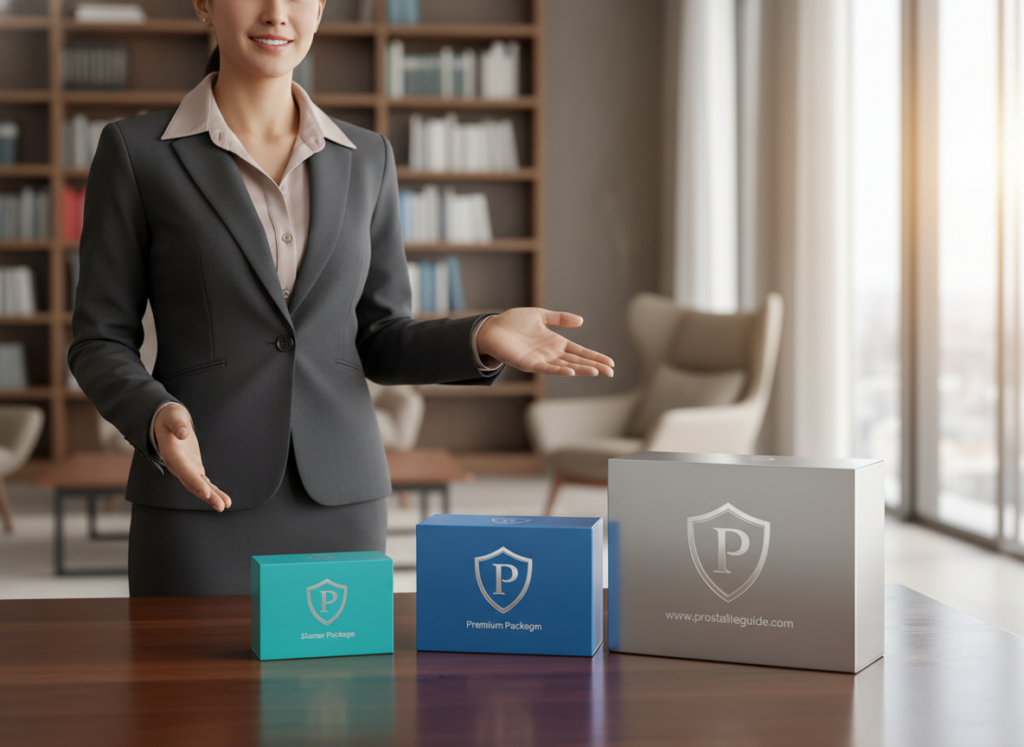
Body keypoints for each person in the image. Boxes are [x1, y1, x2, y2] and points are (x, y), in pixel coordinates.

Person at [67, 0, 615, 596]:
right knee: (184, 690)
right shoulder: (136, 152)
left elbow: (379, 338)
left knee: (339, 689)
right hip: (199, 490)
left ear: (322, 9)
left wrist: (479, 336)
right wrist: (151, 412)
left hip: (340, 496)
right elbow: (100, 338)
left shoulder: (368, 157)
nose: (277, 13)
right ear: (204, 4)